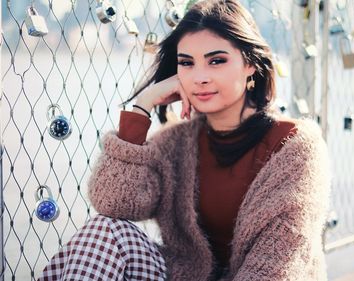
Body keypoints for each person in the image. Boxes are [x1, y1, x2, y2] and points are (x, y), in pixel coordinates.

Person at [39, 0, 331, 280]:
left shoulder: (294, 146)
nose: (199, 77)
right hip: (184, 275)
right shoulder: (176, 143)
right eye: (187, 63)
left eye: (216, 61)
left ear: (250, 64)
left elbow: (277, 266)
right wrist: (142, 107)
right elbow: (114, 203)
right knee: (104, 232)